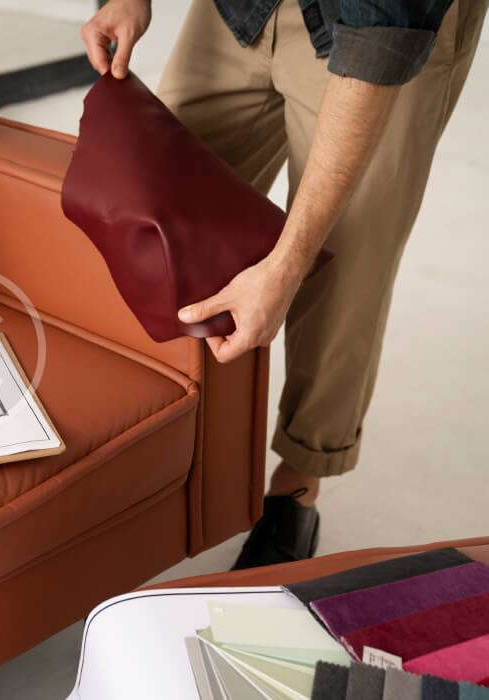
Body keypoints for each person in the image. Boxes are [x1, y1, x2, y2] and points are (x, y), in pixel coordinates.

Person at [81, 0, 486, 569]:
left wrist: (287, 265)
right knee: (155, 205)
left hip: (380, 31)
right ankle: (172, 444)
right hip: (240, 10)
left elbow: (379, 29)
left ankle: (298, 483)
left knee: (344, 264)